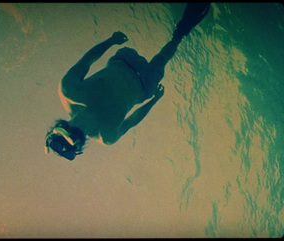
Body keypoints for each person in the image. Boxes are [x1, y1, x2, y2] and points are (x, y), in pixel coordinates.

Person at [45, 3, 211, 160]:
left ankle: (179, 29)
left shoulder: (69, 91)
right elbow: (132, 120)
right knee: (163, 58)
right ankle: (180, 32)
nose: (80, 128)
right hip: (145, 85)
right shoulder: (106, 135)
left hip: (124, 60)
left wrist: (111, 41)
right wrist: (154, 101)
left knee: (160, 55)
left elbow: (86, 61)